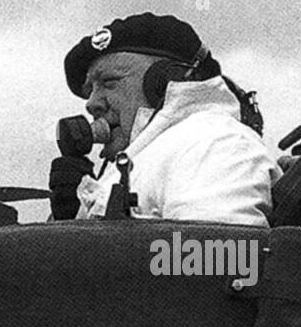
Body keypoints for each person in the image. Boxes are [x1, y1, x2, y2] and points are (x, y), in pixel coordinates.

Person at [56, 12, 280, 226]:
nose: (91, 104)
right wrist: (70, 224)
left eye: (109, 82)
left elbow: (219, 260)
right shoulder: (141, 161)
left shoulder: (212, 143)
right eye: (90, 90)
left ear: (163, 82)